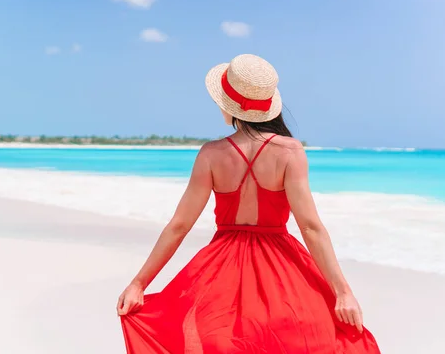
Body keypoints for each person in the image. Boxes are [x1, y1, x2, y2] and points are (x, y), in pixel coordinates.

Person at [117, 54, 381, 353]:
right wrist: (343, 292)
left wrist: (139, 283)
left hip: (220, 267)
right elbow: (311, 227)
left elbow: (179, 226)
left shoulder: (211, 154)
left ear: (228, 105)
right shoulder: (290, 152)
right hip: (282, 267)